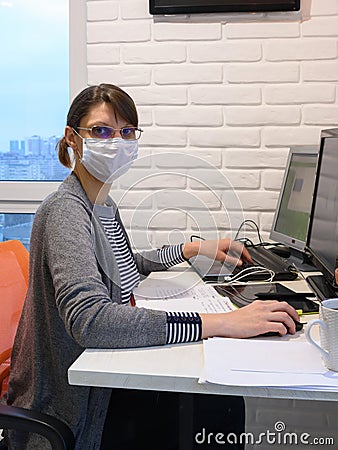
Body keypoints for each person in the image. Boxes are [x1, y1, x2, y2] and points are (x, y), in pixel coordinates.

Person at [4, 84, 299, 450]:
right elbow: (91, 321)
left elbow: (128, 268)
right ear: (73, 139)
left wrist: (193, 248)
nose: (116, 141)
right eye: (101, 131)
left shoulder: (102, 205)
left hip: (100, 382)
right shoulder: (66, 210)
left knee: (215, 402)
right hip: (75, 407)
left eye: (127, 132)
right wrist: (221, 323)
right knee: (215, 406)